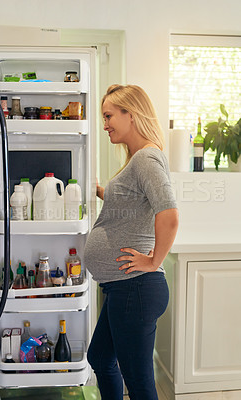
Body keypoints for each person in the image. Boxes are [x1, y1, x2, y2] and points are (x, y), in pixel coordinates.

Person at [84, 84, 179, 400]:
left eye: (109, 115)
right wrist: (101, 192)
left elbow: (169, 215)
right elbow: (131, 205)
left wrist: (153, 261)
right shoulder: (137, 159)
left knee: (138, 384)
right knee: (100, 358)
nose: (105, 123)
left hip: (135, 287)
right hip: (122, 287)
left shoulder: (146, 158)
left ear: (131, 115)